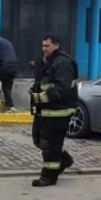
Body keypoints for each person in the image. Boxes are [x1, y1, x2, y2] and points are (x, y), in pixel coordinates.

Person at [29, 34, 78, 187]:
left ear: (56, 45)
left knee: (51, 146)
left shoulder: (63, 62)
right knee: (39, 141)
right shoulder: (48, 61)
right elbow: (45, 83)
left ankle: (49, 177)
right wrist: (34, 89)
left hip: (58, 113)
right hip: (44, 112)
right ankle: (64, 160)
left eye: (47, 46)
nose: (44, 49)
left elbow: (61, 88)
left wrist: (40, 97)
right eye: (43, 46)